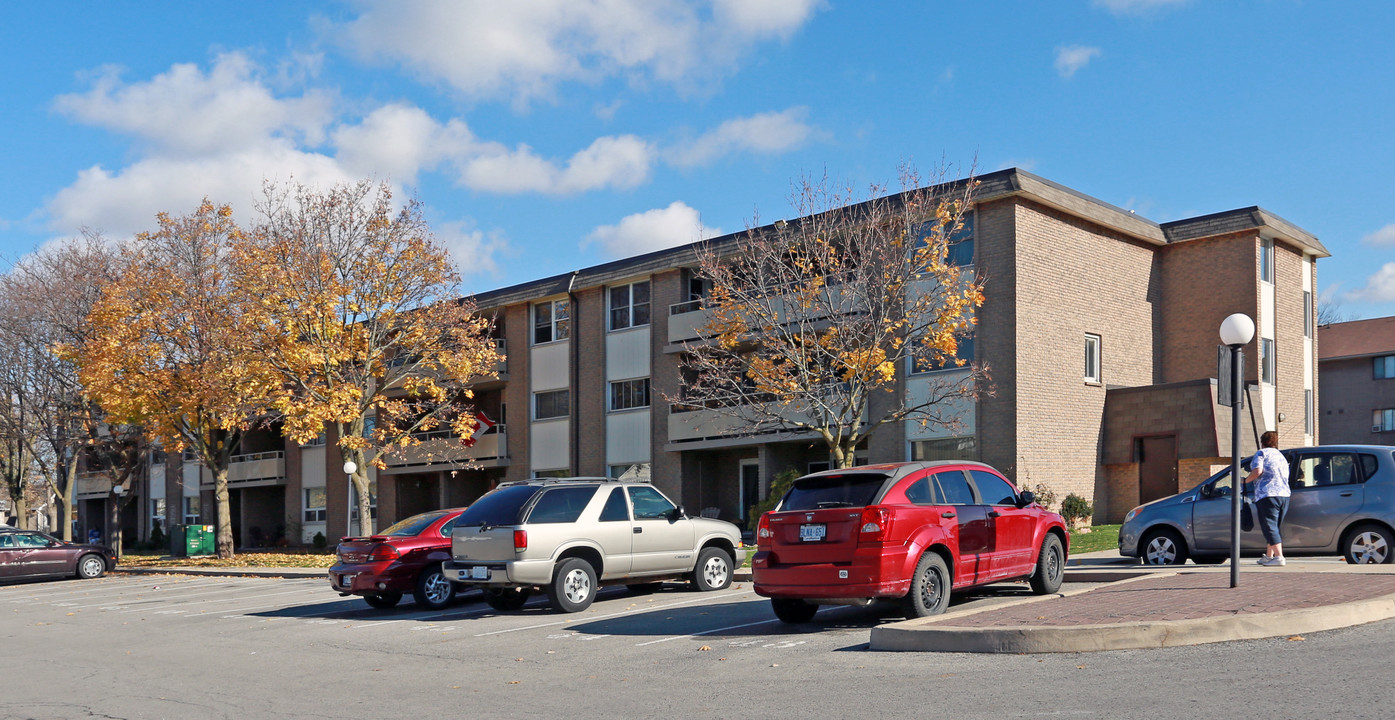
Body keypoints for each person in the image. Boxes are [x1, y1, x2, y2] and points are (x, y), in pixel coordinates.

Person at [1244, 430, 1290, 566]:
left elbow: (1257, 471)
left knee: (1269, 525)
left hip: (1267, 494)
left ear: (1262, 442)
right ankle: (1269, 556)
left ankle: (1279, 557)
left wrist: (1245, 481)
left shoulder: (1261, 453)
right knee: (1275, 526)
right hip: (1284, 494)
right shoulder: (1281, 456)